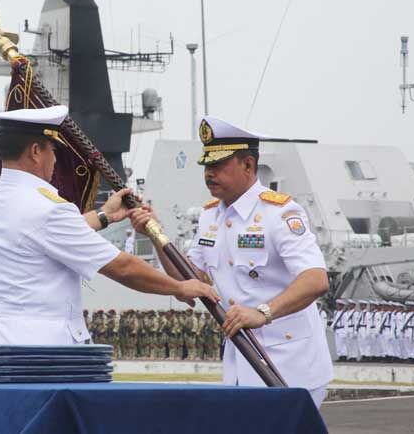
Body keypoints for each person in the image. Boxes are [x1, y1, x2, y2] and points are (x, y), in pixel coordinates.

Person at [0, 105, 219, 345]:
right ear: (36, 151)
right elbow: (122, 267)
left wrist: (105, 215)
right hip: (42, 348)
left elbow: (41, 235)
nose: (55, 160)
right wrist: (179, 287)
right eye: (53, 151)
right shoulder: (48, 208)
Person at [130, 117, 333, 408]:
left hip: (289, 363)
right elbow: (190, 279)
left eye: (218, 166)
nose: (209, 174)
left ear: (248, 166)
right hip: (241, 359)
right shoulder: (211, 216)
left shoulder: (279, 213)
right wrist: (155, 234)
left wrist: (262, 312)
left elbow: (316, 279)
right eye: (206, 166)